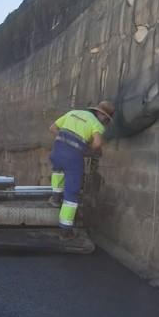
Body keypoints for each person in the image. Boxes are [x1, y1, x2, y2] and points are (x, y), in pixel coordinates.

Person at [47, 101, 114, 236]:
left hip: (57, 152)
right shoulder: (96, 124)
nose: (105, 122)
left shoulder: (73, 113)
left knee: (58, 171)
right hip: (73, 159)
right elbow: (97, 143)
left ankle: (55, 198)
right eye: (106, 118)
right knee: (72, 193)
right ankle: (66, 231)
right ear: (100, 114)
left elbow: (52, 128)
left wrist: (64, 139)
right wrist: (88, 150)